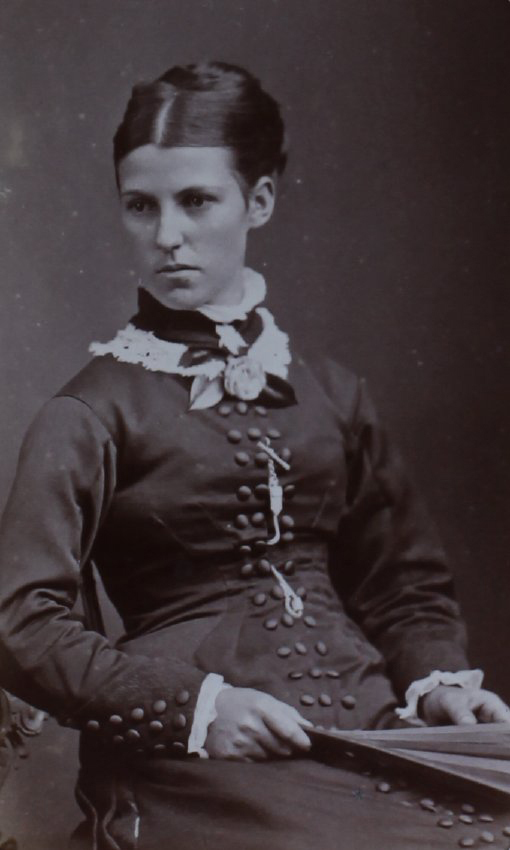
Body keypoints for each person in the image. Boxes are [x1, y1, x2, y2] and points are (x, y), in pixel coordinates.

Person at [0, 61, 508, 850]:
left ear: (259, 201)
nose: (167, 236)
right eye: (142, 206)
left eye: (197, 200)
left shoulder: (333, 394)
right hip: (202, 759)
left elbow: (403, 582)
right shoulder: (88, 412)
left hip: (374, 730)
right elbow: (22, 623)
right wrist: (196, 708)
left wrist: (436, 682)